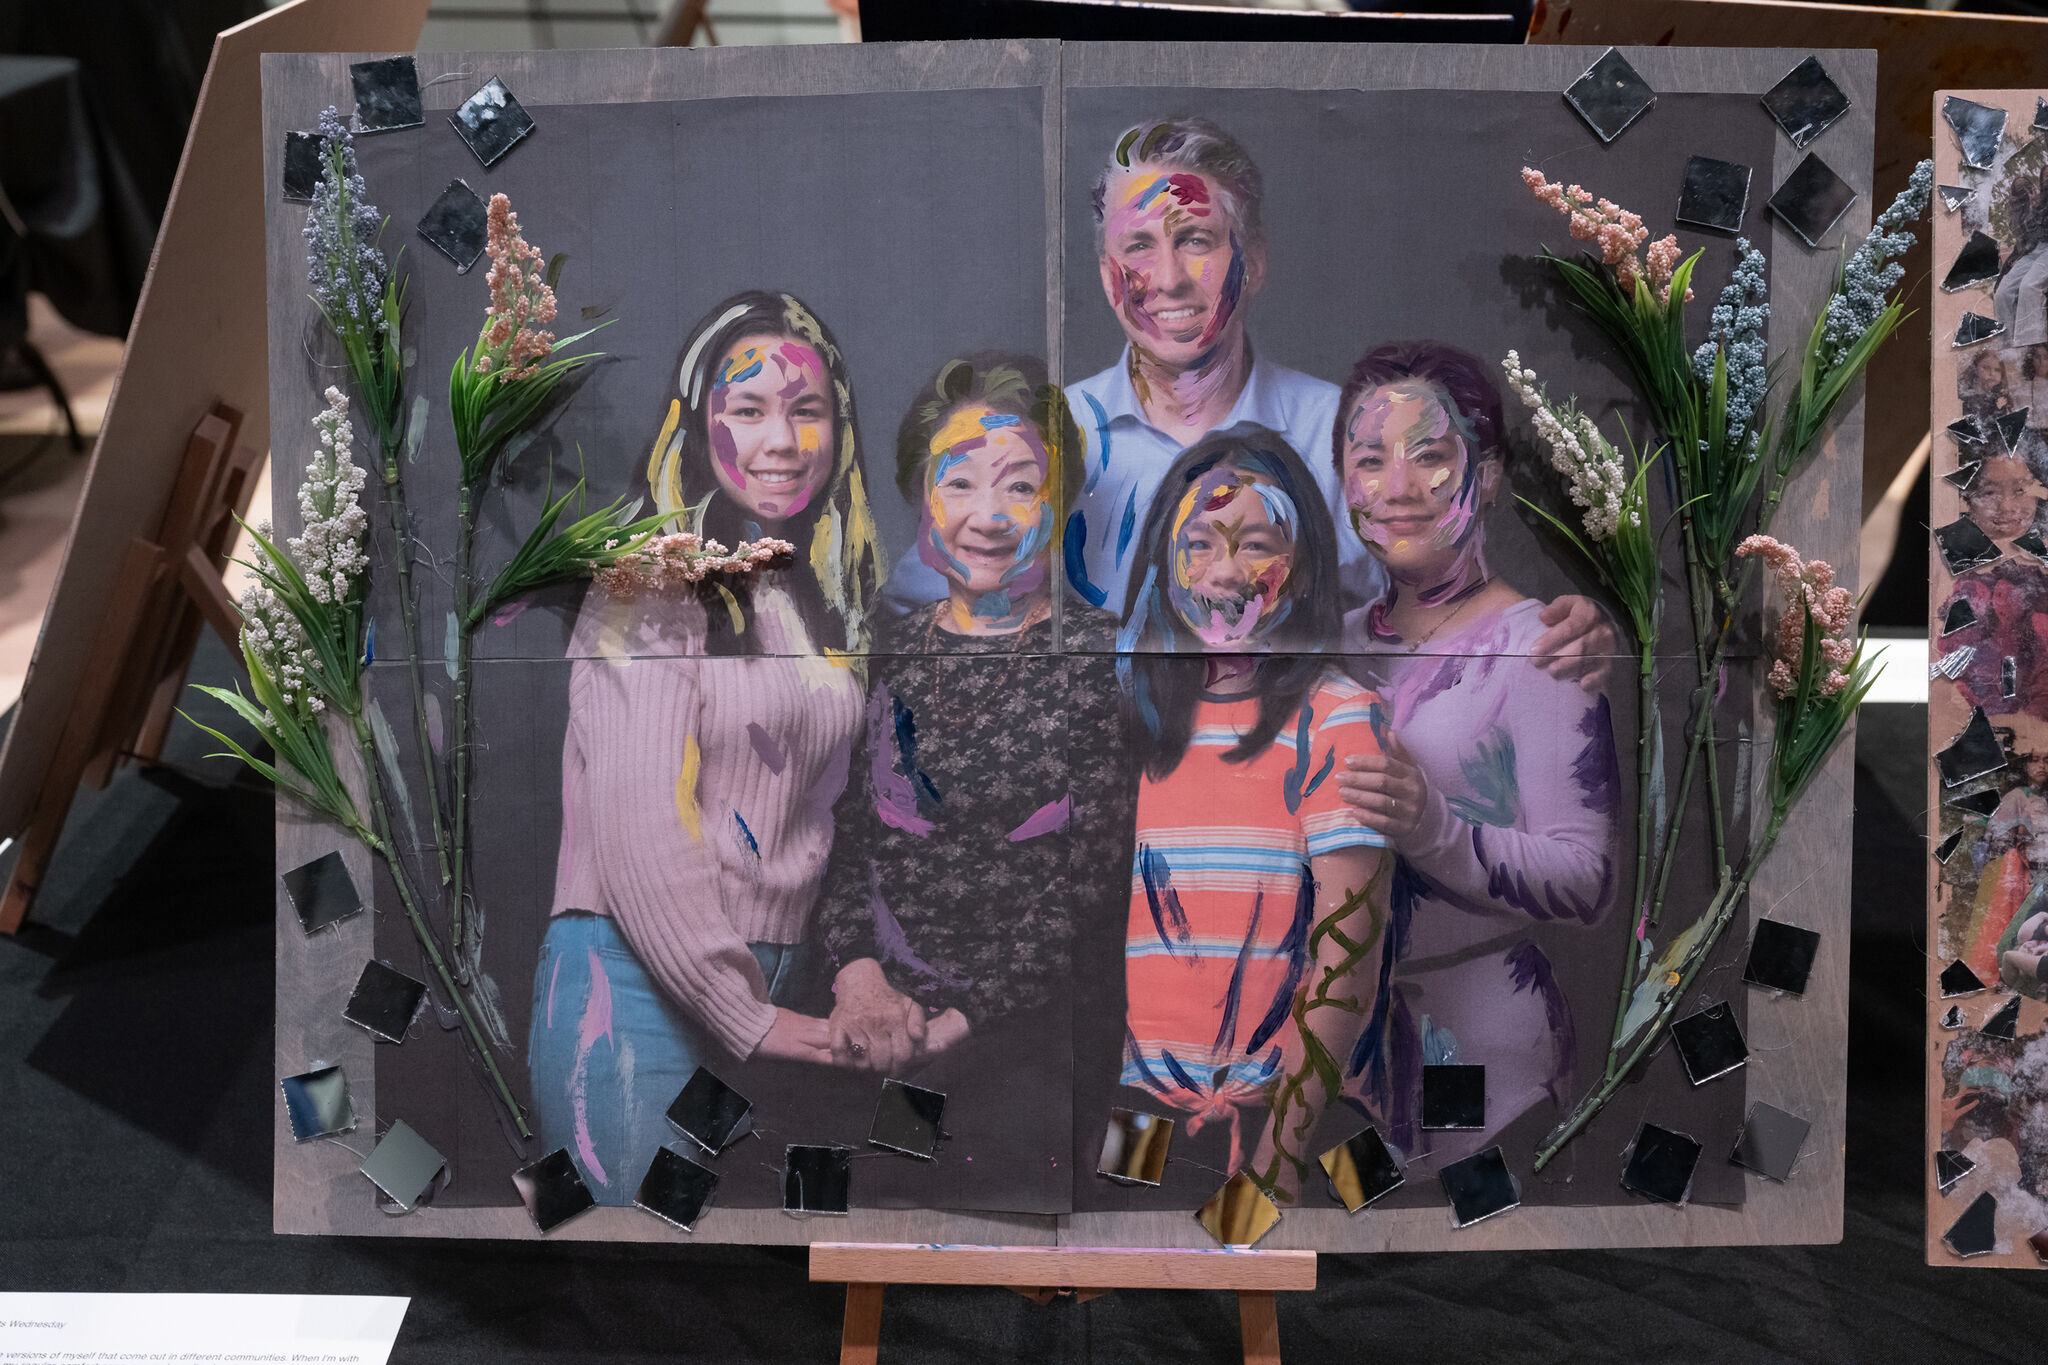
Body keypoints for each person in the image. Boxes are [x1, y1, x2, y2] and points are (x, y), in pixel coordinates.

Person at [879, 115, 1617, 693]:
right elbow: (912, 604)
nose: (1167, 278)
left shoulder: (1342, 435)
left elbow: (1426, 606)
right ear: (1108, 277)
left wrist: (1542, 630)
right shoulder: (1041, 441)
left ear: (1254, 260)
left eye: (1196, 238)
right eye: (1137, 247)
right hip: (1078, 826)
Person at [528, 290, 884, 1204]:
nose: (784, 440)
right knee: (639, 1287)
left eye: (808, 410)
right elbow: (640, 820)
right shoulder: (648, 579)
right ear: (697, 425)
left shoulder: (812, 596)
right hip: (633, 982)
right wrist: (743, 1011)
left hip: (763, 989)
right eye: (749, 408)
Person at [807, 353, 1132, 1211]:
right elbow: (843, 837)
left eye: (1021, 486)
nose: (987, 516)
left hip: (1034, 1045)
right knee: (876, 1237)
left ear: (1058, 502)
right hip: (885, 1038)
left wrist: (955, 1023)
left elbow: (1090, 880)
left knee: (1005, 1256)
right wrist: (859, 975)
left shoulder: (1100, 655)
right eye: (959, 483)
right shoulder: (885, 647)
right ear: (922, 493)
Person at [1327, 342, 1618, 1164]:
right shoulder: (1331, 645)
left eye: (1431, 455)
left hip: (1487, 1045)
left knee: (1461, 1266)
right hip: (1346, 1050)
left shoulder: (1543, 648)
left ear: (1485, 475)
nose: (1398, 487)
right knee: (1352, 1274)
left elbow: (1588, 879)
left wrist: (1435, 830)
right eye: (1369, 458)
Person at [1113, 422, 1390, 1201]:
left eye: (1257, 543)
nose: (1223, 571)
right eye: (1198, 542)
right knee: (1131, 1296)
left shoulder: (1338, 716)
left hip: (1285, 1121)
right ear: (1163, 563)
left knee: (1276, 1307)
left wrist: (1277, 1163)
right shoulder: (1133, 719)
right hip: (1142, 1115)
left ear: (1300, 573)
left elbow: (1348, 964)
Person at [1938, 452, 2048, 719]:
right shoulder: (1951, 572)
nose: (2007, 506)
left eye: (2021, 490)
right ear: (1966, 498)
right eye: (1990, 492)